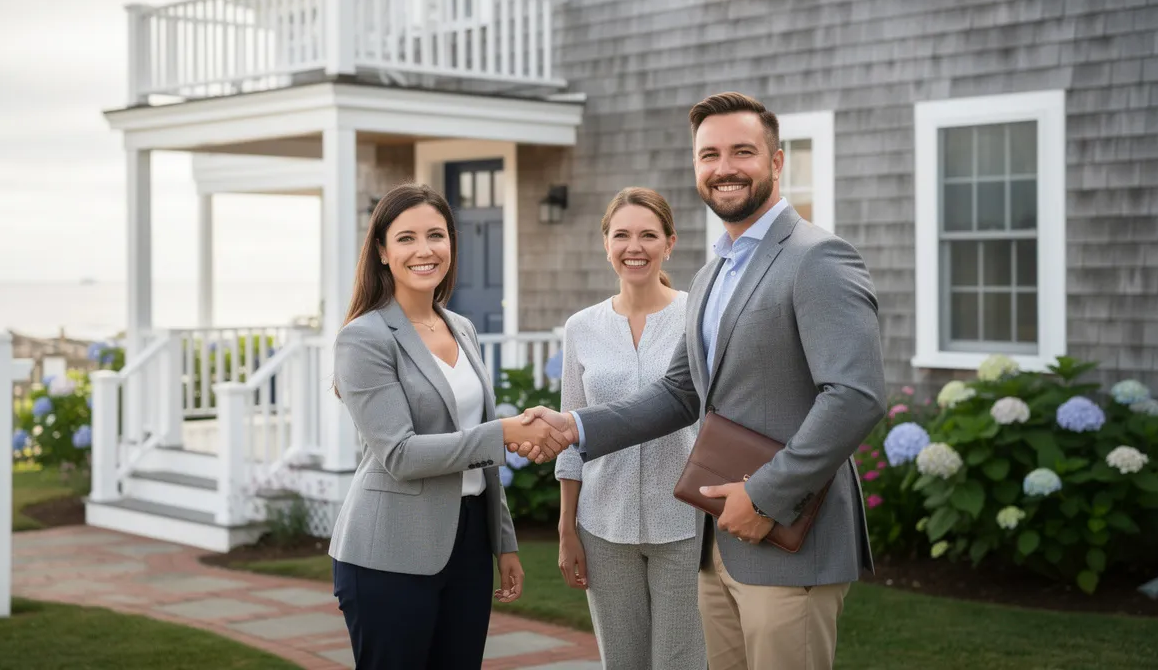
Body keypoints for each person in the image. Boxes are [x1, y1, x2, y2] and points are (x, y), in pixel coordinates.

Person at [519, 92, 886, 670]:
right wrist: (573, 426)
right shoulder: (715, 271)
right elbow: (680, 392)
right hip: (718, 548)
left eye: (743, 151)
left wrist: (764, 495)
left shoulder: (819, 257)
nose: (724, 168)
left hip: (790, 541)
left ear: (777, 161)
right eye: (709, 154)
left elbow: (856, 396)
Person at [329, 183, 572, 670]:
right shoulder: (365, 338)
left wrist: (502, 543)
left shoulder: (462, 328)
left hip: (469, 546)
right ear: (381, 251)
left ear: (452, 245)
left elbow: (479, 448)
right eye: (406, 238)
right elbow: (400, 455)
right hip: (389, 552)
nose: (425, 250)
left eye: (436, 235)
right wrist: (504, 432)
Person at [553, 187, 706, 670]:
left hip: (684, 524)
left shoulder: (697, 317)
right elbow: (570, 436)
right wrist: (566, 528)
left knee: (682, 663)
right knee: (622, 663)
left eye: (647, 235)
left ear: (669, 242)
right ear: (606, 244)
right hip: (602, 526)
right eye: (621, 235)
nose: (633, 246)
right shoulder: (581, 327)